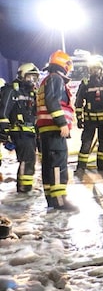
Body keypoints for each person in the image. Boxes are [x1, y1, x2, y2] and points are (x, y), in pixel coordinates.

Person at [36, 50, 78, 211]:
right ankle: (60, 201)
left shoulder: (46, 80)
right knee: (57, 164)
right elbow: (52, 100)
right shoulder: (55, 79)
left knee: (48, 164)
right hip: (54, 129)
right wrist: (62, 123)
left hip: (46, 129)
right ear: (64, 65)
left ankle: (51, 199)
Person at [0, 63, 40, 192]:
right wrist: (4, 133)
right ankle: (24, 188)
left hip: (29, 132)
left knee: (29, 159)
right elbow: (4, 112)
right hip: (19, 131)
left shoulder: (30, 93)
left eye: (35, 78)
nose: (32, 81)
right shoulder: (12, 90)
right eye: (30, 77)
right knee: (27, 159)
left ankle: (25, 186)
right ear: (22, 75)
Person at [74, 58, 103, 172]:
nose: (95, 71)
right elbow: (79, 102)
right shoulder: (85, 84)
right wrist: (79, 119)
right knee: (86, 142)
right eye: (92, 69)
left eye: (97, 69)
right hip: (89, 120)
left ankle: (102, 165)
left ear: (101, 70)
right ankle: (81, 166)